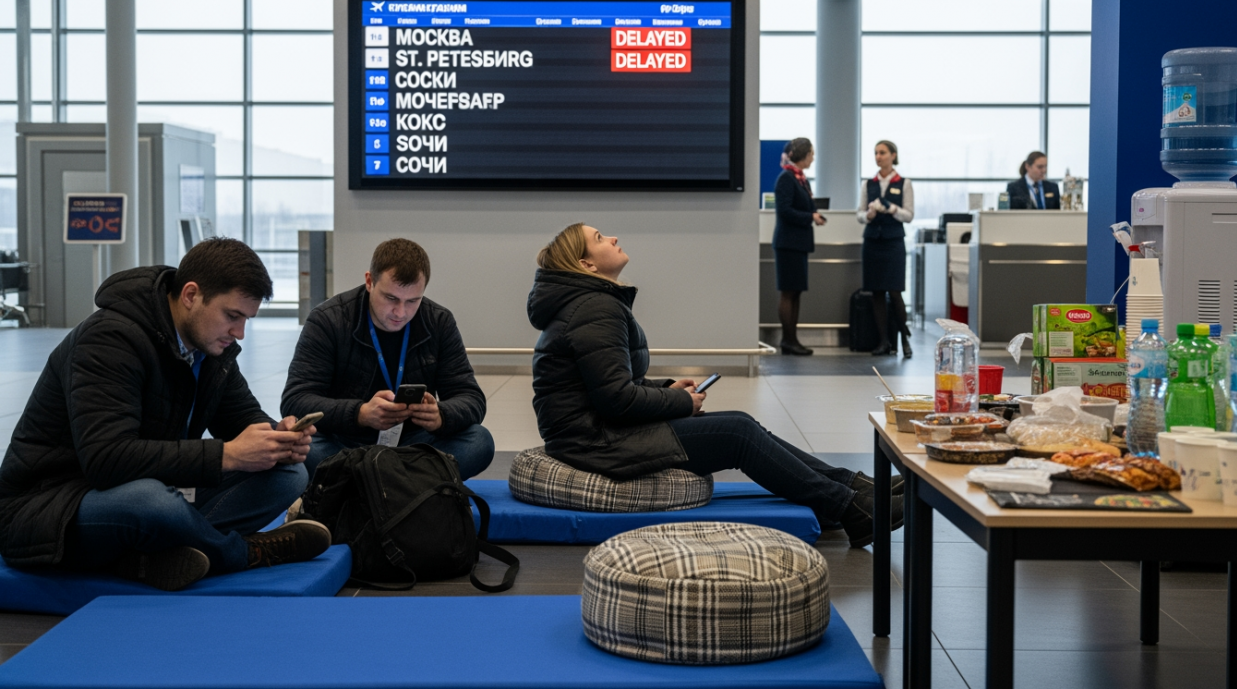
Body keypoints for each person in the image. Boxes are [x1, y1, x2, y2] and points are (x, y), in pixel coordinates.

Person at [527, 223, 904, 547]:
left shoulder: (587, 304)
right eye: (599, 237)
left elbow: (605, 383)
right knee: (736, 432)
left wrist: (666, 388)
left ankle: (855, 490)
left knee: (742, 426)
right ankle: (851, 509)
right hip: (595, 442)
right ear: (586, 264)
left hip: (595, 431)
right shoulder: (596, 307)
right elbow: (615, 400)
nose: (612, 237)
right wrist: (681, 403)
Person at [0, 239, 332, 591]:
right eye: (232, 316)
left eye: (246, 320)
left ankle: (153, 557)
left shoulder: (210, 345)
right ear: (190, 295)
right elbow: (106, 459)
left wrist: (277, 438)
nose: (239, 333)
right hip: (50, 507)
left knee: (288, 473)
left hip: (150, 491)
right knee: (151, 501)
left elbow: (242, 416)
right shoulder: (108, 339)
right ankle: (244, 553)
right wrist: (229, 455)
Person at [283, 238, 493, 482]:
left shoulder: (439, 321)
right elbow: (295, 400)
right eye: (391, 298)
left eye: (413, 301)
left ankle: (366, 485)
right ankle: (408, 486)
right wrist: (359, 414)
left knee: (480, 441)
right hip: (346, 442)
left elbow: (471, 398)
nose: (400, 312)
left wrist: (441, 416)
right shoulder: (328, 320)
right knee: (305, 447)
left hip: (415, 444)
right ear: (370, 281)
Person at [856, 140, 915, 358]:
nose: (878, 157)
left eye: (882, 153)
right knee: (876, 293)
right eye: (875, 153)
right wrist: (869, 215)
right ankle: (883, 341)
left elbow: (909, 215)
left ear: (893, 155)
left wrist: (891, 209)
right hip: (872, 242)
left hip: (893, 242)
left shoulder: (904, 183)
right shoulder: (868, 184)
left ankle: (904, 338)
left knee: (895, 292)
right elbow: (859, 214)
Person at [771, 137, 825, 356]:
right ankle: (788, 340)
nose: (813, 158)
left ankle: (792, 339)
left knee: (795, 293)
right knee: (788, 293)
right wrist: (810, 216)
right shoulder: (787, 178)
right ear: (803, 154)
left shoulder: (800, 178)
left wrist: (813, 214)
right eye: (811, 153)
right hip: (788, 244)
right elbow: (784, 211)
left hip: (798, 244)